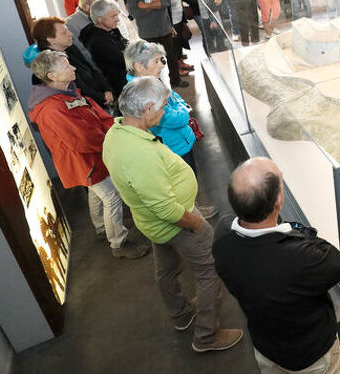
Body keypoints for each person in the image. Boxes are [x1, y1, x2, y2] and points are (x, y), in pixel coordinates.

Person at [102, 77, 243, 353]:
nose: (165, 111)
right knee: (209, 272)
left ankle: (181, 314)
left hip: (150, 224)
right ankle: (207, 336)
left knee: (165, 269)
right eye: (163, 106)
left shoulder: (116, 132)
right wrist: (198, 225)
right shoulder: (140, 153)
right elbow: (165, 208)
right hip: (175, 224)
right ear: (148, 108)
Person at [213, 158, 340, 374]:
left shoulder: (222, 237)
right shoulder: (300, 258)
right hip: (312, 357)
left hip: (267, 349)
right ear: (278, 201)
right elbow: (337, 262)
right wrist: (295, 230)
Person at [28, 50, 146, 259]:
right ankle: (118, 242)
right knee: (112, 196)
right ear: (52, 77)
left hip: (91, 158)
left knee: (97, 193)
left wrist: (112, 129)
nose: (73, 68)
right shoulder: (53, 108)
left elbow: (94, 117)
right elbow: (80, 139)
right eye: (66, 67)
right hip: (85, 161)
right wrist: (113, 140)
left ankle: (102, 227)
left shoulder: (66, 93)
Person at [124, 40, 215, 217]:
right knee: (182, 184)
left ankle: (193, 207)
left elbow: (176, 98)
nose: (161, 66)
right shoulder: (143, 92)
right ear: (138, 66)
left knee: (190, 178)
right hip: (174, 147)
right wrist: (184, 111)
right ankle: (192, 213)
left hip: (180, 142)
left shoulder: (153, 83)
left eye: (161, 60)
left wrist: (181, 107)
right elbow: (177, 117)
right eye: (156, 61)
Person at [31, 16, 113, 110]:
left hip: (100, 98)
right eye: (64, 33)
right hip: (85, 108)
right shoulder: (48, 64)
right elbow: (79, 89)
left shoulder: (69, 47)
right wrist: (102, 98)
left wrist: (107, 89)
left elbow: (91, 69)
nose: (70, 34)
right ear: (50, 39)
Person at [126, 0, 184, 87]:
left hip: (164, 29)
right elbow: (135, 13)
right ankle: (157, 85)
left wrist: (144, 6)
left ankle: (176, 80)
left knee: (171, 57)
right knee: (151, 61)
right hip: (148, 32)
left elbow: (165, 3)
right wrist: (154, 4)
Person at [80, 0, 129, 97]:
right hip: (119, 84)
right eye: (113, 16)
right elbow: (124, 60)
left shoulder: (111, 29)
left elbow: (126, 44)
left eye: (117, 15)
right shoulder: (96, 41)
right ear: (99, 18)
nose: (118, 19)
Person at [158, 0, 194, 78]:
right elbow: (163, 9)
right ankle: (175, 70)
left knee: (179, 44)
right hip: (171, 23)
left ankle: (180, 62)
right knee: (172, 48)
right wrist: (169, 25)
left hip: (179, 20)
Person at [66, 0, 103, 66]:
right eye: (98, 5)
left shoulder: (99, 17)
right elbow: (83, 53)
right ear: (86, 6)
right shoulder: (69, 24)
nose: (103, 7)